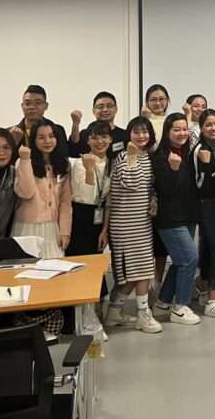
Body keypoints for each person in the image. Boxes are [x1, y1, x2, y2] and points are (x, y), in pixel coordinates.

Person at [102, 116, 162, 333]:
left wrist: (154, 201)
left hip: (142, 222)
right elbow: (132, 182)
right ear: (129, 135)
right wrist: (131, 156)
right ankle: (142, 314)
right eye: (136, 132)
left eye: (145, 131)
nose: (141, 136)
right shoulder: (123, 156)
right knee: (135, 270)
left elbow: (150, 186)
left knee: (141, 268)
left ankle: (114, 311)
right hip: (125, 223)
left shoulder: (147, 156)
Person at [151, 113, 201, 325]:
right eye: (176, 129)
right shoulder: (162, 157)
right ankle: (180, 307)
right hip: (170, 219)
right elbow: (167, 191)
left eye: (184, 129)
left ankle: (162, 303)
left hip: (188, 216)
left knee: (181, 261)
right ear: (167, 132)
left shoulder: (188, 152)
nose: (182, 133)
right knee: (190, 259)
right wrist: (173, 169)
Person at [191, 109, 215, 319]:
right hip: (205, 205)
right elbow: (199, 185)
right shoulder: (199, 149)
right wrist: (206, 167)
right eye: (208, 125)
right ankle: (212, 302)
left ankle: (206, 292)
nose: (214, 128)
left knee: (210, 248)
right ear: (201, 128)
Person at [13, 120, 73, 259]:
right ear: (33, 140)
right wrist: (25, 161)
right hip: (27, 227)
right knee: (27, 269)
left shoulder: (64, 164)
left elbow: (65, 202)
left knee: (55, 267)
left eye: (51, 136)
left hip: (53, 228)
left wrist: (65, 231)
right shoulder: (23, 161)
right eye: (41, 137)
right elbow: (25, 193)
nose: (47, 141)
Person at [67, 120, 112, 258]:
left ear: (110, 139)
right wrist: (89, 170)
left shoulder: (112, 164)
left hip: (99, 216)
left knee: (96, 260)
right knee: (78, 262)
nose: (100, 141)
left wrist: (105, 230)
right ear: (88, 140)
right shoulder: (80, 163)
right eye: (94, 137)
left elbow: (109, 202)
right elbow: (88, 197)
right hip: (79, 216)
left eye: (104, 137)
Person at [12, 84, 69, 158]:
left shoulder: (58, 130)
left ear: (46, 106)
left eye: (37, 103)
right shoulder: (11, 133)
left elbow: (64, 158)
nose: (32, 107)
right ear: (22, 106)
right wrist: (13, 142)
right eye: (27, 103)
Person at [69, 91, 127, 157]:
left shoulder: (124, 135)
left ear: (116, 109)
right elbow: (73, 151)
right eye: (100, 107)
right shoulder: (86, 134)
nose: (105, 109)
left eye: (109, 106)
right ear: (93, 111)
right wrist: (75, 124)